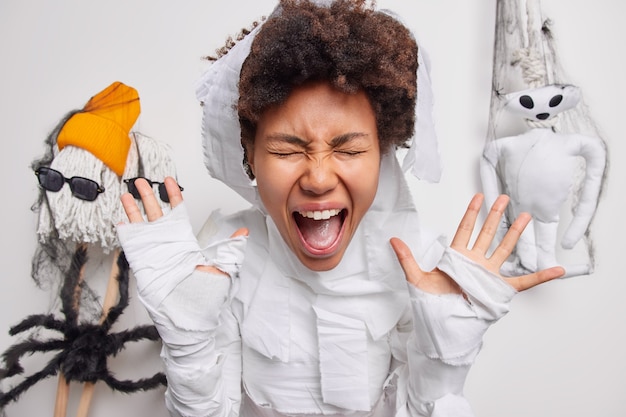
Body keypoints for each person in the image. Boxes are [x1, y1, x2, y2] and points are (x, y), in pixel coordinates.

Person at [116, 1, 564, 416]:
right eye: (288, 151)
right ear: (249, 155)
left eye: (348, 150)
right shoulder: (225, 257)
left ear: (383, 153)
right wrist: (188, 343)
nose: (318, 178)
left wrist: (446, 359)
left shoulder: (421, 262)